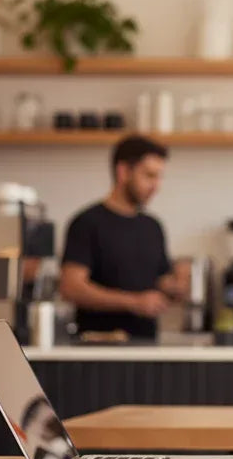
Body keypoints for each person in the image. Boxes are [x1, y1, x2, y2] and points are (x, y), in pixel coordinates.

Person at [59, 135, 186, 340]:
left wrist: (177, 287)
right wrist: (134, 302)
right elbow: (71, 287)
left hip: (147, 345)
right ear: (124, 171)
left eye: (160, 177)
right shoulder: (86, 223)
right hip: (98, 347)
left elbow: (160, 281)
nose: (157, 186)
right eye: (149, 176)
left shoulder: (153, 227)